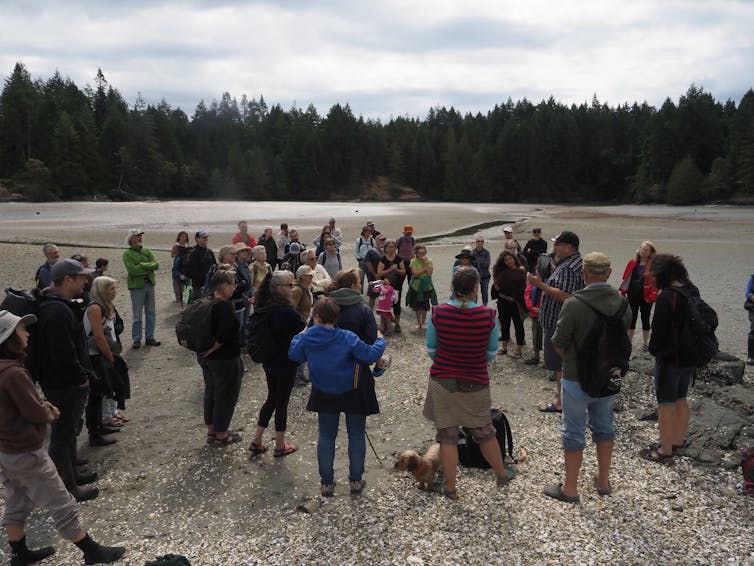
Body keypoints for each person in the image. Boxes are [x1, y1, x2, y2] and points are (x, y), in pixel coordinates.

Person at [0, 310, 126, 565]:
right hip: (25, 450)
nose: (27, 333)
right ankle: (91, 551)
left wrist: (39, 405)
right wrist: (48, 411)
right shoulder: (12, 372)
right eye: (21, 330)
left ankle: (19, 552)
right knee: (60, 501)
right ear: (9, 339)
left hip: (6, 451)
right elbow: (33, 411)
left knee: (16, 499)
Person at [543, 252, 631, 503]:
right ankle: (603, 481)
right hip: (609, 375)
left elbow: (559, 342)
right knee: (604, 428)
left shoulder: (574, 304)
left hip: (576, 376)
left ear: (584, 274)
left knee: (573, 431)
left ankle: (570, 488)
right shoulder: (623, 304)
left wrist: (574, 359)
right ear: (609, 273)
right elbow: (624, 338)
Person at [423, 267, 514, 499]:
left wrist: (448, 361)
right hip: (475, 378)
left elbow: (431, 349)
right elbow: (491, 353)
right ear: (475, 288)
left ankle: (452, 488)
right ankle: (501, 474)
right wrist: (471, 360)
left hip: (442, 379)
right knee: (484, 430)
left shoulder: (438, 312)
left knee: (447, 435)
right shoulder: (488, 315)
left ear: (454, 288)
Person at [289, 297, 386, 496]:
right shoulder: (347, 337)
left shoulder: (308, 338)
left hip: (324, 391)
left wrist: (300, 334)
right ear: (336, 318)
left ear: (316, 316)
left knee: (326, 436)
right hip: (352, 389)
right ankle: (356, 480)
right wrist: (380, 340)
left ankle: (326, 483)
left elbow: (295, 355)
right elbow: (368, 355)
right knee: (356, 434)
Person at [32, 258, 100, 502]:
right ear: (68, 279)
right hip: (63, 382)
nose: (86, 280)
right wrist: (80, 378)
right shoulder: (56, 309)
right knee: (62, 433)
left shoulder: (57, 304)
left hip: (60, 379)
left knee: (69, 429)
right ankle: (66, 486)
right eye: (82, 276)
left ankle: (73, 474)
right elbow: (63, 352)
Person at [641, 254, 698, 463]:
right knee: (681, 398)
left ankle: (665, 449)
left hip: (669, 357)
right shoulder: (691, 290)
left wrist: (654, 350)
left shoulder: (667, 296)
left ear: (662, 273)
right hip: (690, 355)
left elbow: (659, 331)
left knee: (665, 403)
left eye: (654, 274)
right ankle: (678, 442)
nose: (652, 278)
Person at [248, 271, 305, 457]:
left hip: (269, 359)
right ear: (280, 288)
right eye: (290, 285)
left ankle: (257, 439)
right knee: (281, 402)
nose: (293, 288)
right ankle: (279, 444)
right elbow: (301, 328)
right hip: (285, 361)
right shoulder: (285, 311)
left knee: (272, 398)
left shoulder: (264, 305)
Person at [527, 231, 584, 413]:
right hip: (565, 322)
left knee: (559, 365)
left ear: (568, 247)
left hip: (559, 324)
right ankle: (568, 399)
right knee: (565, 364)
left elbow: (566, 296)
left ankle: (560, 402)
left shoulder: (568, 267)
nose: (554, 247)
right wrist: (552, 274)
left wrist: (541, 285)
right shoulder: (573, 262)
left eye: (557, 244)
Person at [197, 270, 243, 447]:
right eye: (232, 285)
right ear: (224, 286)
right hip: (224, 358)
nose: (234, 289)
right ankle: (222, 434)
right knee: (226, 395)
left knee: (211, 392)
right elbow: (224, 334)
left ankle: (212, 430)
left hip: (206, 358)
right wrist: (212, 348)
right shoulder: (223, 306)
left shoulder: (205, 301)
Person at [83, 276, 121, 448]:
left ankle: (100, 427)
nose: (115, 292)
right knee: (95, 395)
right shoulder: (95, 308)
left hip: (101, 355)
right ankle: (94, 433)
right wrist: (110, 356)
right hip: (94, 357)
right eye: (111, 288)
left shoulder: (104, 307)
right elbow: (98, 337)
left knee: (101, 393)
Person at [122, 228, 160, 349]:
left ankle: (150, 337)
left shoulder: (147, 251)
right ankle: (136, 339)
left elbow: (156, 264)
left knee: (151, 313)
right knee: (137, 315)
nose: (140, 238)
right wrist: (149, 267)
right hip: (137, 287)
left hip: (150, 285)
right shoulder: (127, 254)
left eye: (140, 236)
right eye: (137, 236)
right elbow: (133, 270)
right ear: (131, 239)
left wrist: (143, 265)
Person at [619, 241, 659, 351]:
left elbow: (656, 283)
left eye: (646, 250)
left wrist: (651, 297)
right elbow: (626, 278)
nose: (643, 251)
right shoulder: (632, 262)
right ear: (639, 249)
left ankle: (645, 343)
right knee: (632, 318)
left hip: (647, 296)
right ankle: (630, 342)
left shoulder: (653, 266)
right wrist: (622, 292)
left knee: (645, 318)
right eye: (642, 249)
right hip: (632, 294)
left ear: (651, 252)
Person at [492, 251, 527, 359]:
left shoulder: (521, 270)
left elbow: (523, 286)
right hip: (503, 301)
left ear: (514, 259)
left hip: (517, 302)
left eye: (510, 259)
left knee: (519, 325)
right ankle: (504, 348)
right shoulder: (502, 272)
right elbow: (496, 288)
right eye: (506, 260)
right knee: (504, 324)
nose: (508, 261)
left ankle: (519, 351)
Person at [377, 239, 406, 333]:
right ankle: (385, 324)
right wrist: (390, 270)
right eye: (389, 247)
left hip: (397, 286)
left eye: (393, 246)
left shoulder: (398, 258)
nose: (391, 248)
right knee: (385, 305)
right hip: (385, 287)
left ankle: (397, 324)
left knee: (397, 304)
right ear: (385, 248)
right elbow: (379, 273)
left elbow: (403, 272)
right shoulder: (383, 259)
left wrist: (396, 270)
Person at [406, 243, 437, 330]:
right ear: (416, 253)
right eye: (420, 253)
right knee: (416, 305)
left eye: (424, 253)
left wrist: (426, 263)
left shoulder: (429, 260)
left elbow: (430, 273)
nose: (422, 255)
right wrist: (425, 269)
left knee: (425, 305)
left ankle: (423, 322)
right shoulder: (413, 261)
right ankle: (418, 322)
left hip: (426, 286)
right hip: (416, 286)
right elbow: (415, 274)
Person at [184, 230, 216, 301]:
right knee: (199, 306)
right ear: (197, 239)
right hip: (198, 286)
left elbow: (214, 266)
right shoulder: (192, 253)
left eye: (206, 237)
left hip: (210, 284)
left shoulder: (209, 252)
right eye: (203, 237)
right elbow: (187, 271)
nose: (206, 239)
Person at [524, 281, 543, 365]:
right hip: (538, 313)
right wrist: (532, 308)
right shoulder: (534, 284)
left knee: (537, 334)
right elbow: (527, 295)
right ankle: (537, 356)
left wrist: (532, 308)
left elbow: (527, 295)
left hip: (538, 313)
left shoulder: (533, 284)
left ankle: (537, 356)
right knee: (538, 335)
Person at [365, 234, 386, 309]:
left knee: (384, 295)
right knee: (373, 296)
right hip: (375, 277)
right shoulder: (371, 251)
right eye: (381, 240)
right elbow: (368, 264)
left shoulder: (385, 251)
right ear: (376, 241)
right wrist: (375, 274)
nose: (382, 241)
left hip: (384, 277)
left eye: (383, 240)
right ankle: (369, 312)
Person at [170, 231, 191, 305]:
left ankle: (183, 304)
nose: (184, 238)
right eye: (182, 236)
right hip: (178, 264)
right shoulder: (176, 245)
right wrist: (179, 255)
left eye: (185, 237)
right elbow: (172, 255)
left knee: (186, 291)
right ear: (179, 237)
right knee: (178, 292)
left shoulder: (188, 245)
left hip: (185, 267)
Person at [354, 226, 375, 292]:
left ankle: (371, 293)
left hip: (370, 262)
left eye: (370, 231)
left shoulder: (372, 240)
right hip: (362, 261)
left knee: (371, 278)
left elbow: (374, 250)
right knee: (360, 279)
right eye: (368, 231)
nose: (369, 233)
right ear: (364, 232)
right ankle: (360, 294)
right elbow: (356, 251)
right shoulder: (359, 240)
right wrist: (358, 259)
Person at [472, 235, 491, 305]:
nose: (480, 243)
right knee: (474, 292)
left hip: (485, 276)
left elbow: (487, 264)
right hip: (475, 276)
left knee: (484, 292)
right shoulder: (472, 252)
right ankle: (473, 306)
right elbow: (471, 264)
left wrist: (477, 262)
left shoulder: (487, 253)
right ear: (476, 242)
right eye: (478, 241)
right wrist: (481, 261)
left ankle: (485, 306)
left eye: (482, 241)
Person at [747, 273, 754, 365]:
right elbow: (747, 293)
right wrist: (751, 296)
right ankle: (751, 356)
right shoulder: (752, 279)